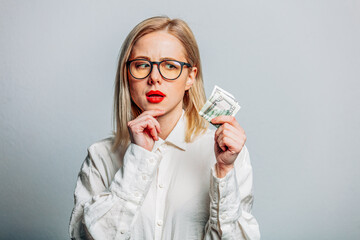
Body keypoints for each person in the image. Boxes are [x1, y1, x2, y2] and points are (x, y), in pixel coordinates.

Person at [69, 16, 260, 240]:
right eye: (141, 65)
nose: (154, 78)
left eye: (170, 66)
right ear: (127, 75)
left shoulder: (226, 154)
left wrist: (225, 172)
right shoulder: (100, 156)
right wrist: (138, 157)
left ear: (190, 77)